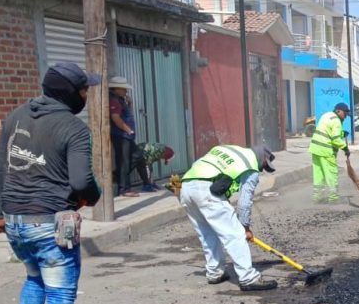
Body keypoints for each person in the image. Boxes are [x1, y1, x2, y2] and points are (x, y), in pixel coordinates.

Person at [0, 62, 103, 304]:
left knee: (34, 279)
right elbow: (82, 180)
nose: (86, 94)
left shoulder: (16, 116)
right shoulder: (73, 127)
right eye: (85, 89)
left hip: (15, 223)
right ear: (71, 92)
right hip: (49, 222)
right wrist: (91, 197)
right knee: (60, 292)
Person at [179, 143, 278, 291]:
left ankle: (215, 272)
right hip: (206, 190)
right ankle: (248, 278)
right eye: (264, 165)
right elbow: (244, 202)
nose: (262, 169)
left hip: (186, 186)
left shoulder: (228, 149)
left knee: (207, 233)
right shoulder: (250, 165)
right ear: (262, 157)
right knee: (235, 234)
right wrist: (245, 227)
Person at [108, 76, 156, 197]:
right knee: (124, 161)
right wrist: (128, 130)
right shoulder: (114, 100)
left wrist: (129, 104)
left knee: (137, 156)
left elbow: (124, 114)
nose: (126, 91)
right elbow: (115, 118)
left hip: (126, 136)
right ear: (117, 88)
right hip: (121, 135)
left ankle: (121, 177)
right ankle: (124, 189)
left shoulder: (120, 99)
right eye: (124, 89)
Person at [309, 102, 350, 203]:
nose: (345, 117)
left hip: (315, 148)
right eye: (345, 114)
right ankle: (333, 198)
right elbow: (335, 140)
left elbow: (327, 130)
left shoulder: (326, 115)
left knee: (318, 174)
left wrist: (342, 133)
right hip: (326, 150)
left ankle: (317, 197)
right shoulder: (336, 121)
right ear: (338, 111)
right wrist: (345, 148)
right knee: (332, 174)